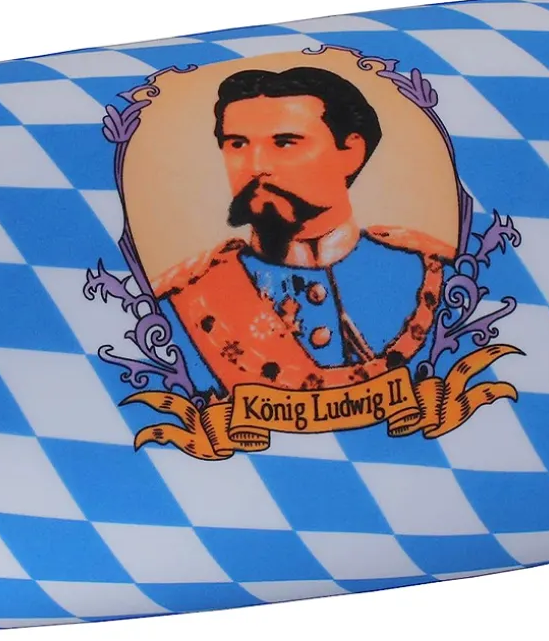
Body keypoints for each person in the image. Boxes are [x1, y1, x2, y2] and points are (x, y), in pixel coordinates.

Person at [153, 66, 454, 395]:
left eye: (284, 143)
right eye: (237, 144)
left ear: (351, 153)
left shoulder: (436, 274)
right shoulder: (181, 303)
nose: (256, 166)